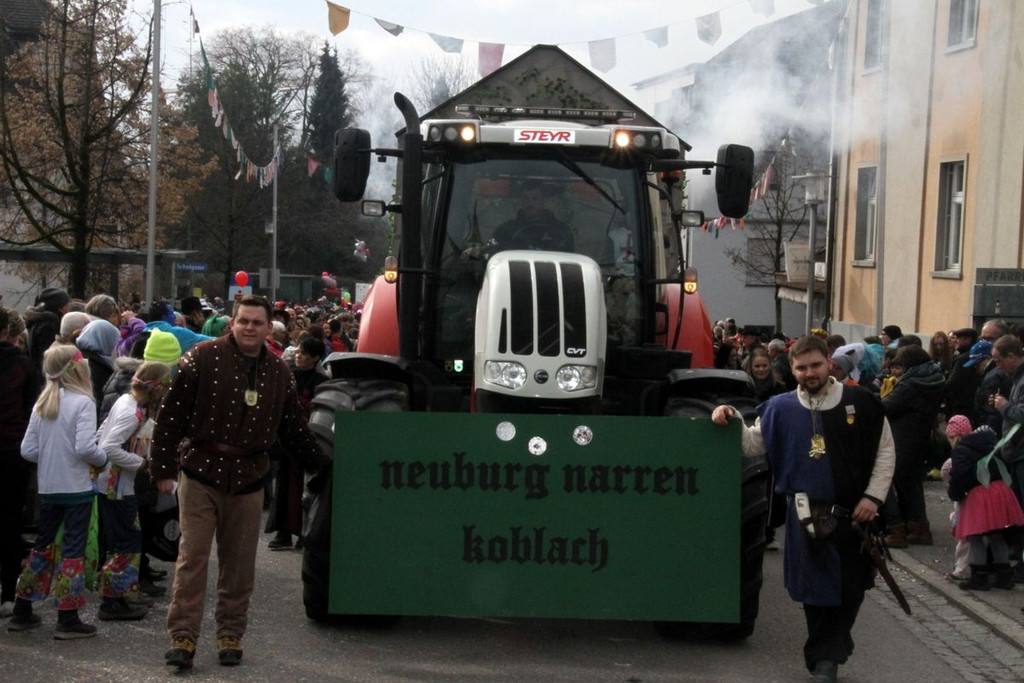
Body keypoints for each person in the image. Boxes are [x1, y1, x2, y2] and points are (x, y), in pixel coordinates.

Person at [149, 295, 330, 669]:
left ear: (268, 329)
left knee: (239, 565)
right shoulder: (201, 358)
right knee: (192, 559)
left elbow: (294, 429)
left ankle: (230, 633)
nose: (249, 328)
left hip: (249, 477)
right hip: (200, 472)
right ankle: (183, 636)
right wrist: (163, 470)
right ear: (232, 323)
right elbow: (170, 418)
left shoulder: (279, 372)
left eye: (257, 322)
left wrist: (324, 466)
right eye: (243, 321)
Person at [711, 335, 894, 683]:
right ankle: (824, 659)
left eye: (816, 365)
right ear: (792, 370)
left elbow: (886, 451)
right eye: (801, 368)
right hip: (806, 516)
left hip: (854, 515)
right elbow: (752, 445)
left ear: (829, 363)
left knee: (851, 590)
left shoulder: (861, 402)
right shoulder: (779, 408)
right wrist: (729, 416)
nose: (810, 373)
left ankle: (834, 644)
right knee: (816, 591)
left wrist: (873, 497)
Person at [8, 344, 109, 639]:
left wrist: (52, 458)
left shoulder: (43, 403)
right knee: (73, 550)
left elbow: (28, 450)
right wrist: (102, 460)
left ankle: (22, 608)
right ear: (77, 369)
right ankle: (67, 616)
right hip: (76, 487)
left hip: (49, 487)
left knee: (43, 545)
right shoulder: (83, 403)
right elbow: (85, 447)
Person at [94, 361, 170, 621]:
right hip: (116, 486)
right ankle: (112, 602)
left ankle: (120, 595)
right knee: (125, 542)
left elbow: (102, 432)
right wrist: (140, 463)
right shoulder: (133, 413)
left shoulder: (126, 402)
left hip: (113, 483)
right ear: (157, 387)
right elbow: (109, 447)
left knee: (124, 540)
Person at [946, 415, 1024, 591]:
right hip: (1001, 491)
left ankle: (979, 577)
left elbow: (960, 477)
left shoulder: (961, 451)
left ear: (954, 437)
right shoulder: (990, 443)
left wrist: (955, 494)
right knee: (997, 536)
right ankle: (1004, 576)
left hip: (980, 495)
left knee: (975, 537)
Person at [267, 336, 329, 550]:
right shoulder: (289, 375)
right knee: (284, 487)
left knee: (306, 489)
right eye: (298, 352)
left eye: (303, 353)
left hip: (309, 440)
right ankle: (283, 533)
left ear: (315, 358)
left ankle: (305, 532)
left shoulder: (322, 381)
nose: (298, 356)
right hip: (286, 440)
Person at [880, 345, 945, 547]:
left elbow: (887, 406)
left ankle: (903, 528)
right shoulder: (934, 378)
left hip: (904, 437)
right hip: (920, 436)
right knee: (912, 483)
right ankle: (918, 527)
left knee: (899, 481)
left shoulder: (911, 384)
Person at [0, 308, 41, 618]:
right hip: (11, 451)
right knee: (10, 521)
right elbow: (31, 411)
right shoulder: (22, 365)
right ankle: (8, 594)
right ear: (7, 330)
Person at [492, 180, 574, 252]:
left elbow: (568, 256)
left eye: (535, 198)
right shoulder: (506, 230)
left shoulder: (560, 231)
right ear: (521, 201)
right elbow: (494, 253)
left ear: (543, 202)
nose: (530, 203)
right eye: (526, 198)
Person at [24, 287, 71, 379]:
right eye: (67, 305)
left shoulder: (39, 322)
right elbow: (50, 356)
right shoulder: (48, 326)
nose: (69, 307)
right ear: (60, 308)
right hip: (47, 377)